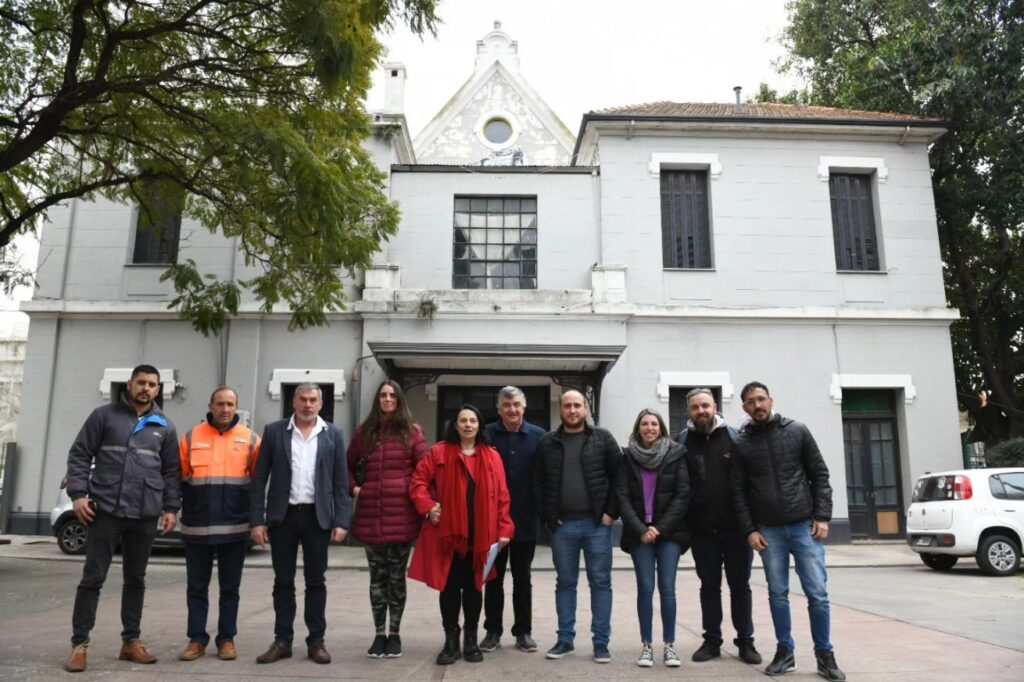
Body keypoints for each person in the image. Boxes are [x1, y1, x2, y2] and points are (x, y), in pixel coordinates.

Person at [63, 364, 181, 673]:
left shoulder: (165, 426)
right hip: (106, 511)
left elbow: (171, 471)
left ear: (158, 389)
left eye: (152, 384)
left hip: (144, 513)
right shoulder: (103, 416)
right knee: (92, 579)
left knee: (136, 580)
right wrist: (78, 494)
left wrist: (171, 508)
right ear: (130, 384)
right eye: (141, 382)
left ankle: (131, 642)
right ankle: (79, 645)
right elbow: (79, 455)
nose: (146, 388)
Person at [730, 382, 846, 681]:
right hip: (768, 531)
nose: (757, 405)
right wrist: (749, 530)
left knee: (817, 594)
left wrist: (822, 516)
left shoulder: (798, 431)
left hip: (804, 526)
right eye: (751, 402)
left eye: (761, 399)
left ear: (771, 400)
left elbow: (819, 474)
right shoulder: (742, 444)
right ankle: (785, 653)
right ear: (744, 407)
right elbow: (738, 492)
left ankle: (825, 655)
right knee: (777, 594)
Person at [250, 383, 351, 665]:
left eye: (313, 400)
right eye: (303, 399)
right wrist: (257, 520)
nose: (308, 405)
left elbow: (340, 482)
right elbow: (259, 479)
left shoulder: (333, 434)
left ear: (320, 404)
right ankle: (283, 640)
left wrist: (342, 520)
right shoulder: (274, 431)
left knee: (316, 582)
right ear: (294, 402)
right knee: (283, 582)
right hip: (283, 517)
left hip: (317, 519)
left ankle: (316, 641)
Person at [408, 404, 514, 666]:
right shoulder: (439, 451)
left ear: (479, 426)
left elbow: (503, 497)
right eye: (463, 420)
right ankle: (451, 639)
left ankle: (471, 638)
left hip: (481, 534)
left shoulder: (492, 456)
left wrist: (505, 528)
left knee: (474, 588)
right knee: (450, 587)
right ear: (455, 426)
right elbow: (418, 483)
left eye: (473, 421)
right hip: (449, 535)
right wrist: (428, 507)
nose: (468, 425)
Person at [532, 389, 622, 664]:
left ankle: (601, 642)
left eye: (577, 405)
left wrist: (610, 514)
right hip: (563, 527)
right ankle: (565, 640)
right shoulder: (548, 442)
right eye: (567, 406)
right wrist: (548, 517)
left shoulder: (603, 438)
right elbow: (538, 482)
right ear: (560, 409)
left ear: (585, 408)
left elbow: (620, 478)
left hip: (597, 525)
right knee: (565, 583)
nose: (572, 410)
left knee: (601, 583)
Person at [347, 380, 429, 659]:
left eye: (392, 395)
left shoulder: (413, 433)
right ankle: (378, 634)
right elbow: (345, 467)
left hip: (402, 519)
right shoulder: (364, 433)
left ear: (399, 400)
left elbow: (425, 471)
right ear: (377, 400)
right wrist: (354, 489)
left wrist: (416, 497)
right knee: (376, 580)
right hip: (371, 517)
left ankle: (394, 634)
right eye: (383, 395)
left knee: (396, 579)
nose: (387, 399)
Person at [178, 386, 261, 662]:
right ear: (210, 406)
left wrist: (257, 521)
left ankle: (226, 639)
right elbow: (179, 478)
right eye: (220, 404)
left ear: (236, 407)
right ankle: (196, 639)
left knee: (230, 589)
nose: (225, 409)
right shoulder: (191, 437)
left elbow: (258, 483)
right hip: (197, 527)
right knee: (196, 588)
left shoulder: (251, 439)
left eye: (230, 404)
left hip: (235, 528)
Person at [681, 388, 762, 665]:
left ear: (715, 406)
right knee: (709, 587)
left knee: (740, 586)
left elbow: (750, 481)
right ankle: (712, 640)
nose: (701, 411)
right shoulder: (682, 441)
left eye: (705, 405)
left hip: (737, 529)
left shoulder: (736, 437)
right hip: (702, 531)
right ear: (689, 411)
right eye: (695, 407)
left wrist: (752, 524)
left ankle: (746, 641)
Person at [616, 408, 689, 668]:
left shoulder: (676, 454)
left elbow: (682, 495)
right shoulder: (627, 457)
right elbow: (622, 496)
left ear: (661, 428)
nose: (649, 428)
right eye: (645, 424)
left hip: (669, 533)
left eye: (654, 424)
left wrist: (658, 529)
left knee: (667, 588)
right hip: (639, 535)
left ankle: (669, 646)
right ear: (638, 428)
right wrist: (641, 530)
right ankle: (646, 645)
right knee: (645, 589)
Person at [480, 386, 546, 653]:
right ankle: (492, 631)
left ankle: (523, 632)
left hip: (525, 520)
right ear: (499, 409)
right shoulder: (485, 434)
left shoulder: (539, 436)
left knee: (523, 579)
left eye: (516, 404)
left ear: (524, 407)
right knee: (493, 578)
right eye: (506, 405)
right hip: (492, 522)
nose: (512, 409)